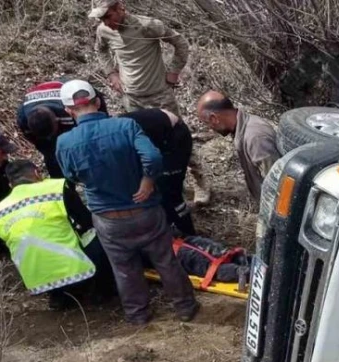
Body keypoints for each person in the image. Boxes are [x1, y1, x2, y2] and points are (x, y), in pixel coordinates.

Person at [55, 79, 198, 325]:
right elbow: (153, 157)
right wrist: (148, 181)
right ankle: (185, 307)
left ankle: (138, 315)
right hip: (145, 211)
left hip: (108, 218)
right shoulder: (126, 126)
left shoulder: (65, 142)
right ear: (97, 102)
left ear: (69, 111)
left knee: (124, 268)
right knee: (165, 260)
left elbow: (70, 175)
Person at [91, 2, 211, 204]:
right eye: (102, 19)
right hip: (132, 99)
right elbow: (100, 51)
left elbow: (180, 43)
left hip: (159, 95)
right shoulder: (104, 30)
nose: (106, 22)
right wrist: (112, 74)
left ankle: (200, 182)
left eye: (108, 16)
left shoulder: (147, 26)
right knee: (144, 143)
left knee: (178, 139)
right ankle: (169, 184)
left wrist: (173, 72)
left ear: (120, 8)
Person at [0, 159, 114, 310]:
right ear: (36, 173)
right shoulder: (55, 188)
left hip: (38, 280)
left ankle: (58, 297)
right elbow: (85, 220)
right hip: (77, 270)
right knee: (96, 233)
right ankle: (101, 292)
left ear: (10, 184)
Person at [196, 91, 280, 206]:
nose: (210, 129)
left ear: (214, 118)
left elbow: (279, 185)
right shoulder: (242, 129)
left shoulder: (255, 138)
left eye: (207, 123)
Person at [120, 108, 196, 235]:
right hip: (155, 137)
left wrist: (148, 178)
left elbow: (151, 158)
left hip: (173, 136)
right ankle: (169, 227)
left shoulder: (114, 137)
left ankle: (189, 235)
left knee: (171, 194)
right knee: (158, 190)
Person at [16, 80, 108, 178]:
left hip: (72, 99)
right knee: (52, 157)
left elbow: (94, 120)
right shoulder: (23, 115)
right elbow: (34, 140)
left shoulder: (71, 105)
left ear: (57, 120)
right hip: (47, 125)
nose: (51, 137)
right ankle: (62, 184)